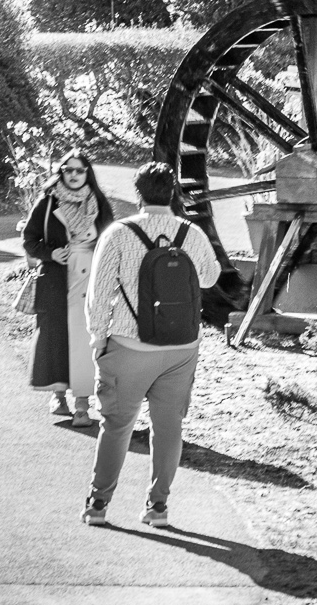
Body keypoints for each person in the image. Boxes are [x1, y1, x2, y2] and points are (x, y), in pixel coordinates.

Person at [80, 160, 220, 530]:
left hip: (130, 346)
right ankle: (158, 507)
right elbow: (209, 279)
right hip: (180, 347)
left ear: (138, 194)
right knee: (169, 427)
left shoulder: (119, 232)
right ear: (173, 193)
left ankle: (98, 504)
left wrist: (98, 338)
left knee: (117, 426)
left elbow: (100, 293)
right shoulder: (192, 233)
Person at [21, 150, 112, 424]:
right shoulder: (47, 203)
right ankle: (59, 395)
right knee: (56, 337)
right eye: (68, 170)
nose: (73, 175)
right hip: (57, 279)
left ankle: (82, 404)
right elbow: (29, 240)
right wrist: (50, 254)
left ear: (88, 173)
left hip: (91, 278)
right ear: (61, 173)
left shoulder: (99, 203)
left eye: (79, 170)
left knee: (85, 339)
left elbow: (111, 240)